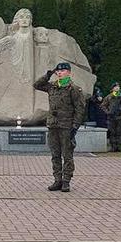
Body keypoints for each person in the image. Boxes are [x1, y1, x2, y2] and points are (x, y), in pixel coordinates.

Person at [34, 62, 86, 192]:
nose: (59, 73)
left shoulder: (73, 88)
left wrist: (75, 126)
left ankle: (66, 181)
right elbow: (37, 85)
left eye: (62, 71)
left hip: (66, 126)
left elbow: (79, 109)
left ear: (68, 72)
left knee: (67, 155)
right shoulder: (52, 86)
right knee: (55, 154)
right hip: (53, 125)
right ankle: (57, 180)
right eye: (58, 71)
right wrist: (47, 75)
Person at [101, 83, 121, 152]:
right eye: (115, 87)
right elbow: (103, 106)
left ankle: (118, 146)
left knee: (119, 132)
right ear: (112, 88)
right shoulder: (109, 97)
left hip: (120, 117)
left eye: (118, 87)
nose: (117, 88)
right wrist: (108, 112)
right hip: (111, 117)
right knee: (112, 132)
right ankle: (113, 146)